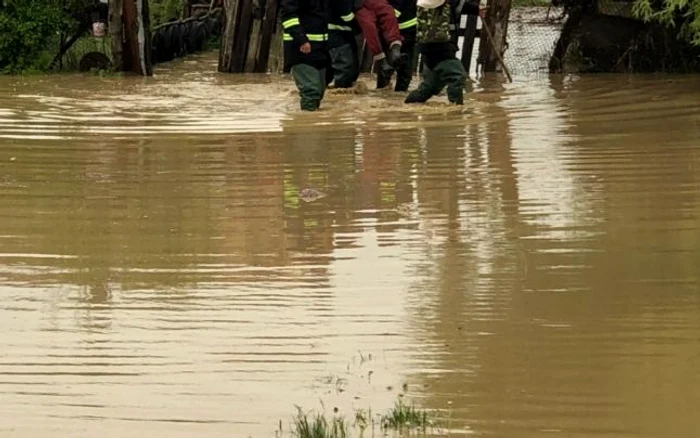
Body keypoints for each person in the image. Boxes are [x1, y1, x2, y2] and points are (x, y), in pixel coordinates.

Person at [404, 0, 485, 105]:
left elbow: (457, 5)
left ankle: (408, 105)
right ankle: (456, 111)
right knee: (457, 75)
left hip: (435, 45)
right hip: (438, 45)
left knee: (431, 86)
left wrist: (476, 9)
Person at [281, 0, 330, 111]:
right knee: (311, 91)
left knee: (319, 90)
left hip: (320, 49)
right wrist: (301, 39)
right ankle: (306, 126)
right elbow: (288, 16)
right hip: (300, 49)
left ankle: (312, 121)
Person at [354, 0, 405, 78]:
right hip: (360, 4)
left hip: (364, 4)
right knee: (371, 25)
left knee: (384, 17)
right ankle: (390, 52)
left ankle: (392, 50)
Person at [376, 0, 417, 90]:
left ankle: (386, 92)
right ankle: (398, 94)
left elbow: (392, 12)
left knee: (388, 66)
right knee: (402, 66)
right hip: (405, 29)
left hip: (400, 29)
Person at [327, 0, 360, 88]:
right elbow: (346, 15)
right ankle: (339, 94)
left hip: (345, 34)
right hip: (337, 35)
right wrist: (359, 24)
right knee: (344, 69)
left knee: (351, 71)